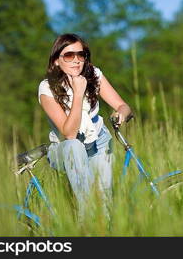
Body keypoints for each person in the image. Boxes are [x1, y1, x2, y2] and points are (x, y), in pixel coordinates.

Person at [38, 33, 132, 220]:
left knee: (104, 206)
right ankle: (86, 223)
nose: (76, 60)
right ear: (57, 60)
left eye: (81, 55)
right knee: (74, 148)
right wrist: (78, 93)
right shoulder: (47, 88)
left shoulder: (93, 75)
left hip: (99, 143)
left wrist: (121, 113)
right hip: (65, 149)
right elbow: (69, 134)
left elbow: (123, 105)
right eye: (69, 55)